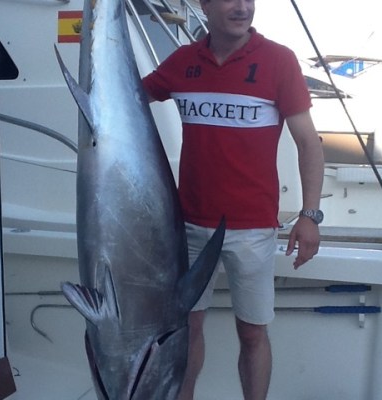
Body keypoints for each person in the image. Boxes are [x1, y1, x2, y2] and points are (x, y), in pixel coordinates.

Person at [142, 0, 324, 398]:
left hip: (253, 228)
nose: (242, 7)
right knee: (186, 330)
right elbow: (129, 97)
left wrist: (310, 215)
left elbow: (309, 143)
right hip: (188, 226)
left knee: (253, 333)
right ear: (205, 5)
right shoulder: (182, 61)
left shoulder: (278, 60)